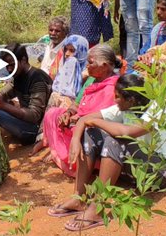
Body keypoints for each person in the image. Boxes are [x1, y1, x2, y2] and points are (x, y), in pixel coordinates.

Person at [48, 74, 166, 231]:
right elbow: (85, 120)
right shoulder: (126, 106)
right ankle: (79, 197)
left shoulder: (155, 113)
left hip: (162, 170)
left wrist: (95, 121)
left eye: (117, 97)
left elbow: (127, 132)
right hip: (139, 165)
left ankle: (97, 207)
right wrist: (75, 140)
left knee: (115, 139)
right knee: (91, 133)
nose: (114, 99)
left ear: (131, 100)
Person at [42, 45, 120, 176]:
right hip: (79, 120)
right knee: (52, 113)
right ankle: (62, 153)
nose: (87, 66)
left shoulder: (114, 87)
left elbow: (106, 118)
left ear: (105, 65)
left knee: (86, 132)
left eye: (90, 63)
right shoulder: (91, 80)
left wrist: (78, 119)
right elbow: (77, 103)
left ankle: (84, 163)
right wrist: (68, 113)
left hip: (95, 128)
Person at [0, 43, 52, 145]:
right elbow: (4, 93)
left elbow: (34, 116)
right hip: (25, 123)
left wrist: (4, 105)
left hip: (35, 130)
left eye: (12, 65)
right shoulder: (18, 76)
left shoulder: (37, 79)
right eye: (6, 66)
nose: (9, 69)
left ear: (24, 60)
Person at [47, 35, 90, 109]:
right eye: (65, 49)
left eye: (72, 50)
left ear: (81, 51)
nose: (67, 54)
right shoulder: (64, 67)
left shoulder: (89, 73)